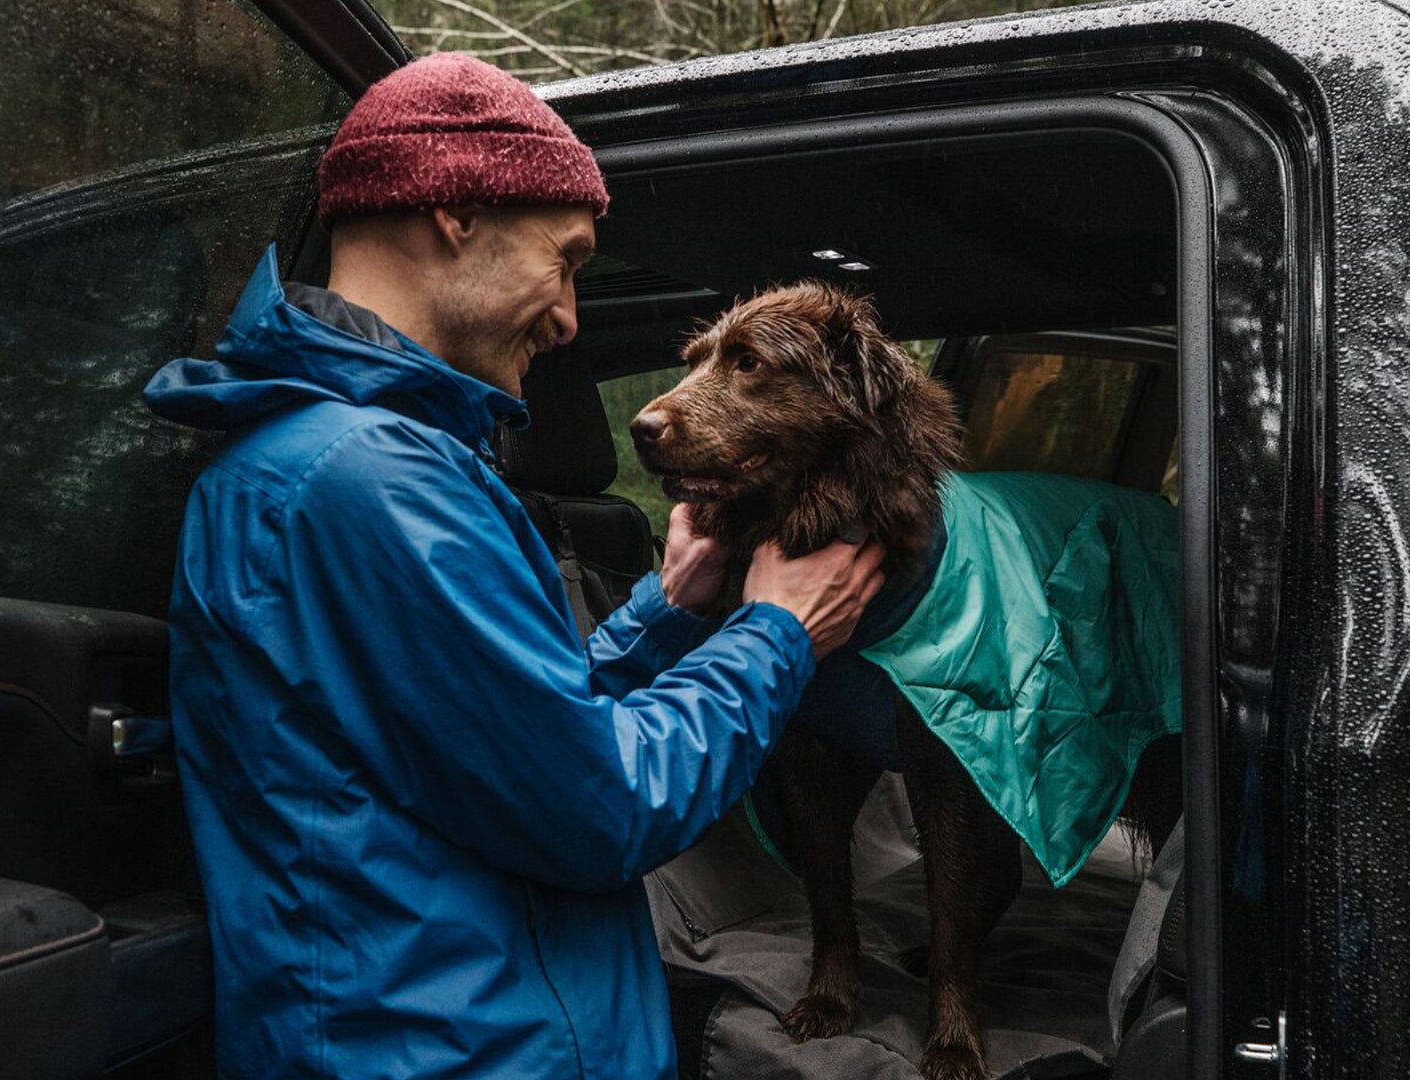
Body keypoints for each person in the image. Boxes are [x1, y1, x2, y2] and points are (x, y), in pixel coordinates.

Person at [142, 53, 887, 1080]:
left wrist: (668, 613)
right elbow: (601, 811)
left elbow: (510, 742)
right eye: (568, 258)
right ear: (455, 210)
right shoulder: (364, 482)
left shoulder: (359, 464)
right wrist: (778, 634)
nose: (573, 316)